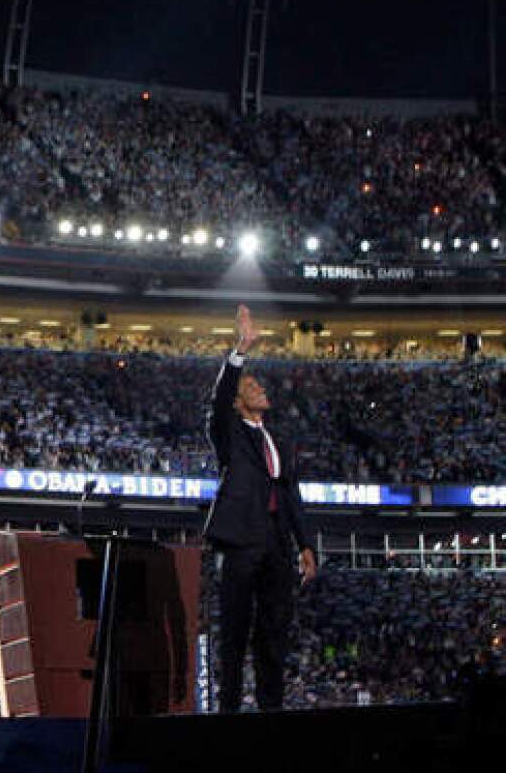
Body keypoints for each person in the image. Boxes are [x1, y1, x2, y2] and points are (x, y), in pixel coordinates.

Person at [205, 304, 317, 712]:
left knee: (274, 629)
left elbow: (291, 495)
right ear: (238, 402)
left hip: (276, 540)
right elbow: (219, 397)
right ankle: (229, 711)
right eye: (253, 387)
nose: (262, 390)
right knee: (235, 630)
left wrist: (305, 545)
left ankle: (272, 711)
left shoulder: (277, 440)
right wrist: (241, 350)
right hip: (240, 538)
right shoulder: (228, 431)